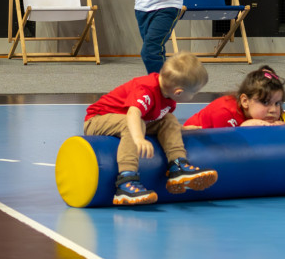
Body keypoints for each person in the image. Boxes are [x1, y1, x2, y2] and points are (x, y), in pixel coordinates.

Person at [84, 52, 218, 206]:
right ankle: (126, 183)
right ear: (178, 92)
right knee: (135, 123)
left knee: (169, 119)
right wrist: (138, 138)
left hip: (134, 120)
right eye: (194, 93)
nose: (194, 96)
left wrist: (180, 129)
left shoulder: (167, 96)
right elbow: (133, 113)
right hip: (98, 119)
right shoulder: (146, 89)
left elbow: (157, 119)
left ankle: (178, 166)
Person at [185, 66, 285, 129]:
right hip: (190, 138)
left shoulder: (265, 115)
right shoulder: (224, 112)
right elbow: (227, 151)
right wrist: (244, 127)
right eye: (265, 102)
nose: (273, 110)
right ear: (245, 101)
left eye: (277, 103)